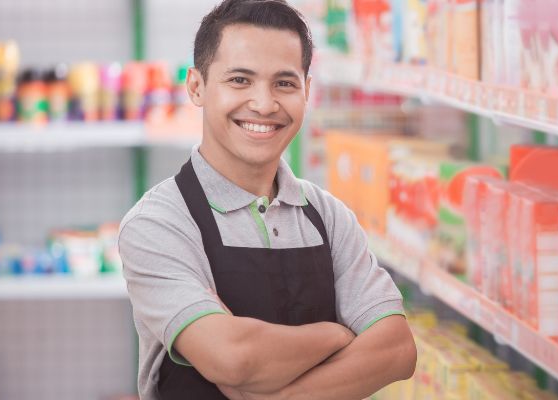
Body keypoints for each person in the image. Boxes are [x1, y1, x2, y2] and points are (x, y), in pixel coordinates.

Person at [118, 1, 417, 399]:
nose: (264, 103)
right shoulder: (159, 223)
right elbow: (232, 358)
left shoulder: (327, 217)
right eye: (240, 80)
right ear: (197, 87)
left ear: (307, 91)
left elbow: (397, 350)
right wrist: (335, 335)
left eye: (285, 83)